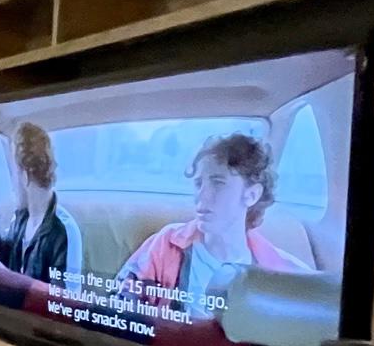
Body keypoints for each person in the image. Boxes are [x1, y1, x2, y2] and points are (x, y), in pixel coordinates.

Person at [117, 133, 310, 315]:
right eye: (198, 184)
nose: (201, 196)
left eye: (218, 183)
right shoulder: (165, 245)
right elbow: (119, 307)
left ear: (252, 195)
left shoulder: (282, 270)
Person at [0, 121, 82, 287]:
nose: (12, 184)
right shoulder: (21, 219)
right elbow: (3, 260)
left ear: (25, 175)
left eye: (14, 172)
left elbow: (62, 299)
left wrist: (3, 273)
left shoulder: (64, 230)